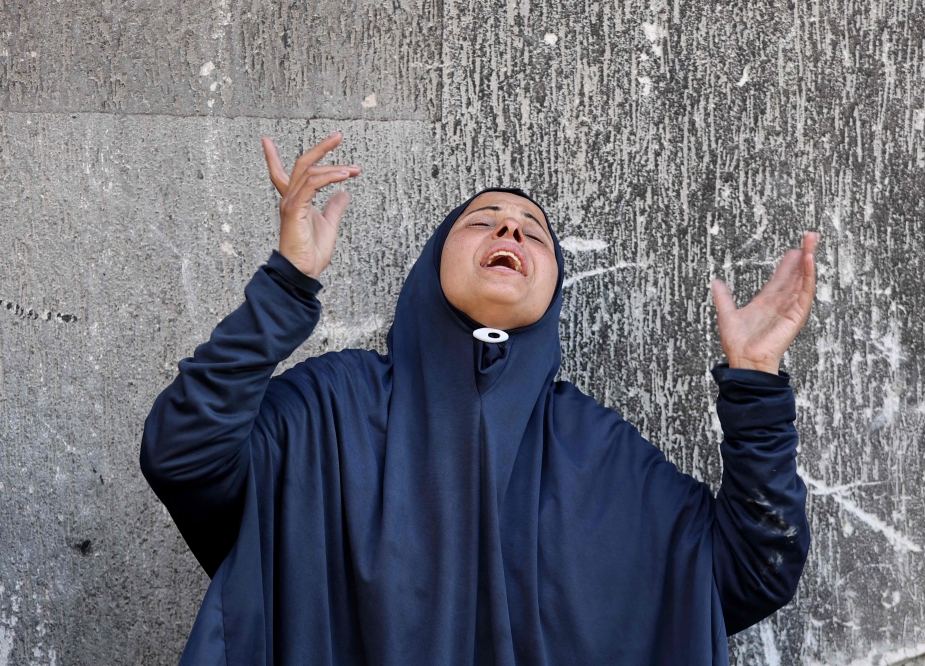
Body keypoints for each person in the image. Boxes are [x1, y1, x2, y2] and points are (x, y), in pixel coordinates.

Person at [140, 131, 817, 665]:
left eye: (532, 230)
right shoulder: (333, 408)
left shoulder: (595, 451)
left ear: (553, 288)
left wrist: (755, 382)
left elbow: (750, 570)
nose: (511, 232)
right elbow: (183, 455)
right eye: (483, 222)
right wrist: (285, 287)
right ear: (432, 269)